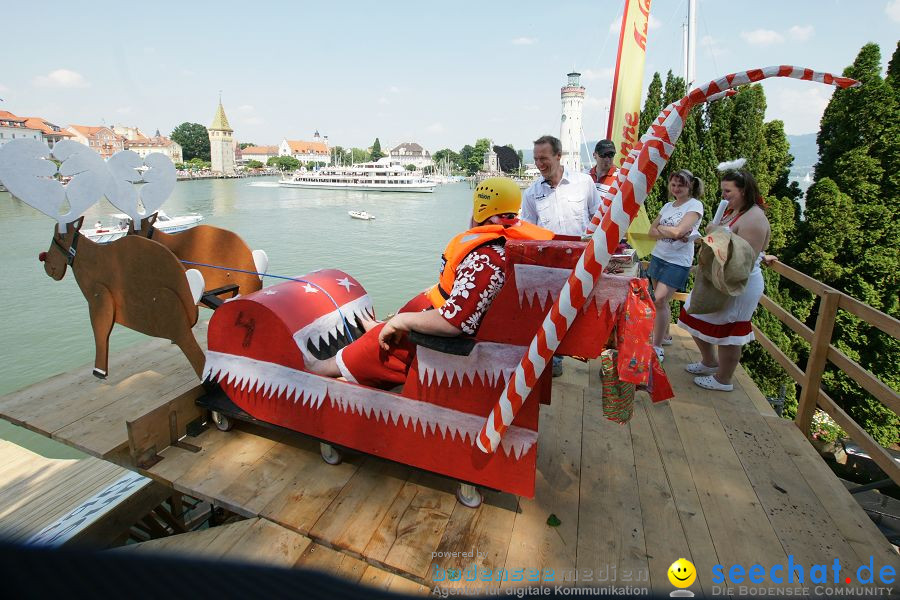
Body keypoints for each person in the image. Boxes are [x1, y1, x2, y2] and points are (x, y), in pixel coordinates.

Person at [305, 177, 553, 389]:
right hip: (464, 319)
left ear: (480, 210)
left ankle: (328, 366)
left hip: (452, 342)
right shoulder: (505, 239)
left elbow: (454, 322)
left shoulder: (485, 258)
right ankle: (380, 329)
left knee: (377, 345)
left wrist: (403, 321)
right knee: (393, 321)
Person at [677, 167, 771, 392]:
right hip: (720, 278)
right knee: (692, 312)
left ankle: (724, 379)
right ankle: (709, 362)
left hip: (739, 283)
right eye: (723, 191)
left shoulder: (754, 217)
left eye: (728, 191)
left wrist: (713, 235)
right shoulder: (737, 211)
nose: (724, 196)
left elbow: (742, 257)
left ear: (744, 190)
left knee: (731, 334)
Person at [521, 135, 601, 376]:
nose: (539, 163)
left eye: (544, 158)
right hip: (549, 264)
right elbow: (528, 231)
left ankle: (591, 352)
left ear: (558, 155)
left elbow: (598, 217)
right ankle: (553, 360)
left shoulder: (584, 182)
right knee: (549, 312)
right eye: (536, 159)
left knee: (584, 312)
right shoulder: (532, 193)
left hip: (582, 262)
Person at [647, 170, 704, 363]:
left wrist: (664, 230)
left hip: (677, 261)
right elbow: (650, 232)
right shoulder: (667, 205)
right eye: (673, 184)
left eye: (681, 185)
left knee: (660, 300)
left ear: (690, 186)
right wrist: (670, 231)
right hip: (659, 255)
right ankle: (664, 335)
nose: (676, 188)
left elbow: (679, 231)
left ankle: (657, 346)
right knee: (661, 301)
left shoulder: (695, 205)